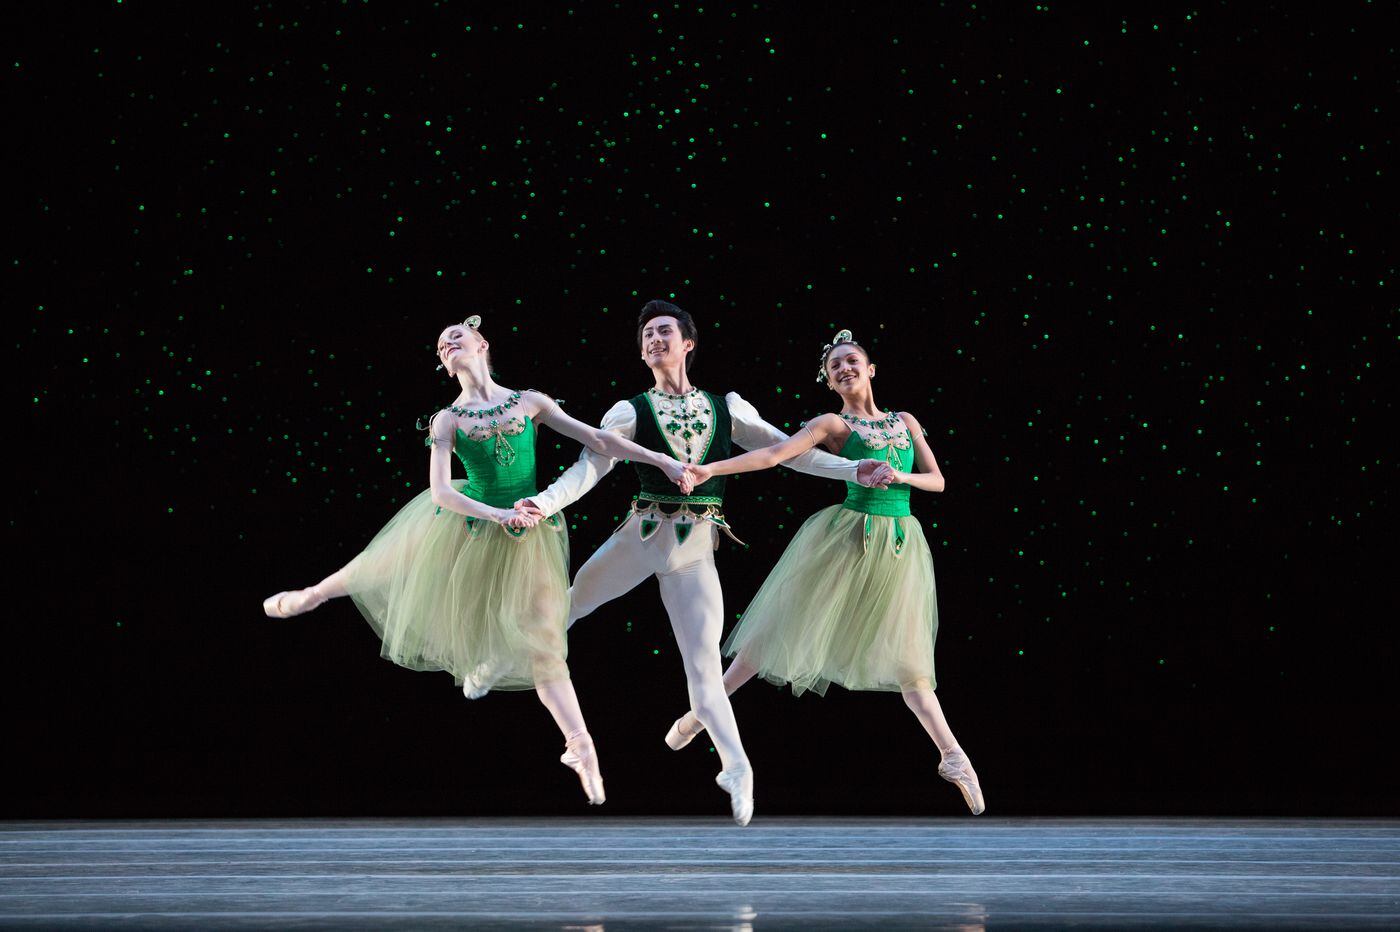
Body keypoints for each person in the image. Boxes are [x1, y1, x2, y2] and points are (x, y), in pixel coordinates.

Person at [261, 315, 691, 806]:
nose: (448, 344)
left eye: (456, 336)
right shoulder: (447, 420)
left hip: (529, 531)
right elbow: (441, 492)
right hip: (470, 521)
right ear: (445, 367)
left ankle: (580, 745)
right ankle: (313, 594)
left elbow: (599, 441)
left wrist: (662, 460)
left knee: (545, 641)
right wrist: (496, 514)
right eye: (441, 346)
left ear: (482, 343)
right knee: (384, 561)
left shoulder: (529, 401)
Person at [514, 301, 896, 826]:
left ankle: (737, 767)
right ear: (642, 351)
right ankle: (501, 662)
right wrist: (544, 503)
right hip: (640, 539)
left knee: (704, 667)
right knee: (569, 607)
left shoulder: (726, 408)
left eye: (664, 331)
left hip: (695, 554)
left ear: (688, 343)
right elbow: (590, 467)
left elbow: (791, 451)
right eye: (647, 335)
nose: (654, 339)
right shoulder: (630, 411)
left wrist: (852, 468)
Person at [665, 328, 984, 815]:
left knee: (911, 661)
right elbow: (774, 455)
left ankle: (953, 757)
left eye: (852, 360)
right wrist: (712, 470)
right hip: (846, 539)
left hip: (900, 545)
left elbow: (937, 481)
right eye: (836, 366)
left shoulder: (905, 421)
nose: (845, 368)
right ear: (830, 381)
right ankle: (700, 713)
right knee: (771, 637)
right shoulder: (832, 424)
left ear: (870, 369)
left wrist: (899, 475)